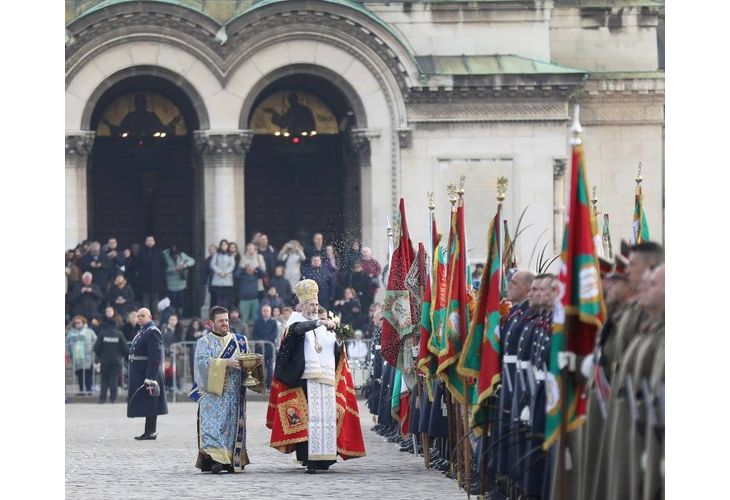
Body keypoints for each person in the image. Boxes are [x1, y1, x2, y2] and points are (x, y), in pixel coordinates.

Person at [266, 279, 366, 474]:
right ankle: (309, 459)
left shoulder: (323, 325)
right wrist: (320, 322)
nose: (314, 308)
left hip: (326, 379)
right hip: (303, 379)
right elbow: (298, 331)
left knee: (326, 419)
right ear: (302, 306)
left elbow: (336, 351)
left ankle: (325, 459)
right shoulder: (296, 321)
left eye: (316, 305)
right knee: (308, 421)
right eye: (311, 305)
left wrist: (337, 337)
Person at [192, 306, 263, 474]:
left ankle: (231, 460)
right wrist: (225, 363)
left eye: (226, 320)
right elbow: (201, 364)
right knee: (212, 427)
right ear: (211, 323)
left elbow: (247, 363)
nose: (225, 323)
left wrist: (254, 364)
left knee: (231, 428)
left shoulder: (240, 341)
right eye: (221, 321)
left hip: (234, 393)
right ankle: (216, 460)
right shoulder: (204, 342)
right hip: (212, 394)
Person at [127, 308, 168, 440]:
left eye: (142, 316)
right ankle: (149, 431)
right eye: (138, 316)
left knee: (151, 402)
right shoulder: (143, 331)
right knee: (148, 401)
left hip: (148, 372)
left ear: (150, 317)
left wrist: (150, 377)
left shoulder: (152, 332)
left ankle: (150, 431)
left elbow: (155, 356)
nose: (139, 318)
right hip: (140, 371)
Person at [94, 306, 129, 403]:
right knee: (114, 379)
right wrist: (126, 358)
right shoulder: (119, 334)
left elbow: (96, 348)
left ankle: (102, 398)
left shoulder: (102, 334)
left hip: (104, 360)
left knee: (104, 380)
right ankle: (113, 398)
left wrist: (100, 356)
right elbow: (125, 348)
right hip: (117, 361)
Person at [66, 315, 98, 396]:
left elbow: (96, 341)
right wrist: (69, 354)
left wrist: (93, 352)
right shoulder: (71, 333)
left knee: (87, 375)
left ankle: (89, 390)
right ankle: (81, 391)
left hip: (88, 357)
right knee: (79, 375)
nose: (77, 324)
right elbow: (67, 344)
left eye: (79, 322)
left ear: (83, 322)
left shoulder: (89, 331)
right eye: (76, 323)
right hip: (76, 358)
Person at [137, 236, 168, 319]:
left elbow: (164, 265)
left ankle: (156, 315)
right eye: (148, 240)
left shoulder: (158, 252)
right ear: (145, 242)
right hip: (145, 281)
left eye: (151, 240)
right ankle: (145, 316)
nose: (150, 242)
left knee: (155, 299)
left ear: (154, 241)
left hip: (156, 280)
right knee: (145, 299)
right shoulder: (142, 252)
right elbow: (137, 265)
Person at [163, 244, 196, 317]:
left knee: (181, 299)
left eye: (176, 255)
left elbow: (192, 261)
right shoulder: (165, 256)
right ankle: (174, 314)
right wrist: (174, 269)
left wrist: (185, 265)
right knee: (173, 300)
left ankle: (181, 314)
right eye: (174, 255)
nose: (175, 256)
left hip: (181, 282)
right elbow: (162, 269)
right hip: (171, 282)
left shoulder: (182, 255)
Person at [253, 304, 278, 389]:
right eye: (264, 310)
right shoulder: (257, 322)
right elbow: (254, 333)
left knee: (270, 368)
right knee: (259, 368)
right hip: (259, 348)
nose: (266, 312)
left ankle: (269, 386)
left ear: (270, 312)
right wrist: (259, 341)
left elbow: (274, 334)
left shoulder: (273, 322)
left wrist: (265, 340)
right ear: (261, 311)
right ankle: (259, 385)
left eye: (267, 310)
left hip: (269, 348)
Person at [210, 240, 235, 310]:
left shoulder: (230, 255)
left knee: (226, 299)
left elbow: (232, 266)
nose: (224, 246)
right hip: (218, 280)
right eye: (222, 245)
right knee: (219, 299)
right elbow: (212, 264)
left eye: (225, 245)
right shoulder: (217, 255)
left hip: (227, 280)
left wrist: (225, 272)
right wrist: (219, 271)